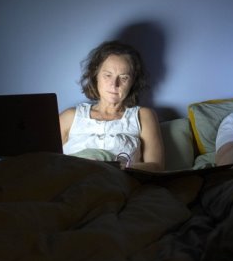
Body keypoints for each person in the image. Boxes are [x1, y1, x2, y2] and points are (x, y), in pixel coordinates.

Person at [59, 41, 165, 171]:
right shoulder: (69, 117)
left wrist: (111, 168)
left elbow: (156, 167)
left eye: (124, 78)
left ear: (133, 82)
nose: (114, 84)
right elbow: (46, 163)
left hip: (118, 185)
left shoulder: (143, 116)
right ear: (95, 75)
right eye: (108, 75)